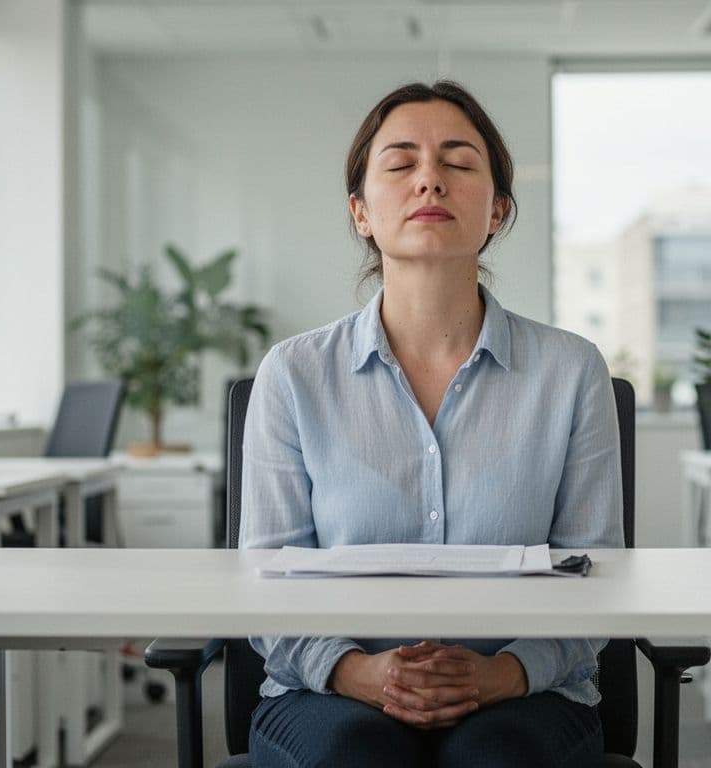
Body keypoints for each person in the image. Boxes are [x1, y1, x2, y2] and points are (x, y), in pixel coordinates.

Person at [240, 80, 623, 768]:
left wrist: (498, 675)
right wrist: (360, 672)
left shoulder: (571, 371)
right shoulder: (293, 374)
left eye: (458, 162)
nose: (429, 181)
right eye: (400, 164)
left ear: (497, 209)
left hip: (525, 694)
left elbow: (596, 578)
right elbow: (266, 582)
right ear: (361, 211)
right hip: (330, 694)